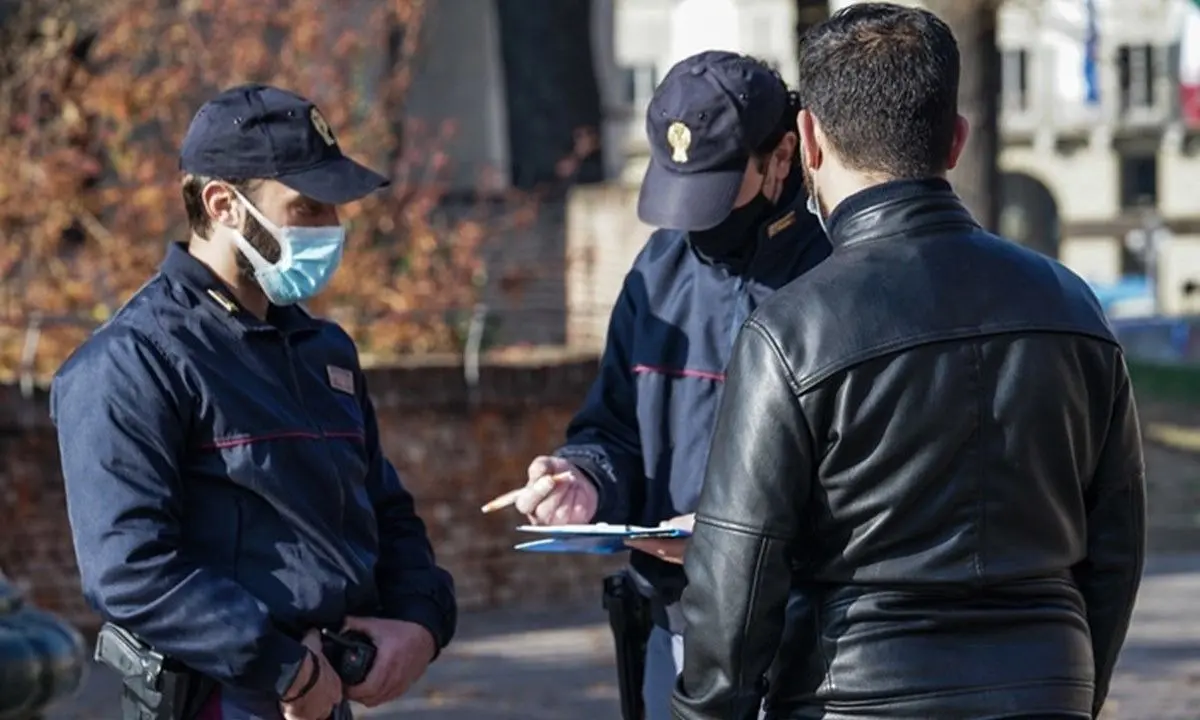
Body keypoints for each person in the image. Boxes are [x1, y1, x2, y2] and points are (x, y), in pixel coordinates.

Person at [671, 5, 1147, 720]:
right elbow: (1115, 545)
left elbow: (735, 583)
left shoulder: (791, 330)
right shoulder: (1073, 307)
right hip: (1049, 682)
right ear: (957, 140)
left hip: (855, 695)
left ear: (809, 142)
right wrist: (1075, 684)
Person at [50, 84, 457, 720]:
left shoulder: (323, 350)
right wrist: (285, 670)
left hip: (323, 694)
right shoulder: (133, 361)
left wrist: (420, 620)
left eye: (333, 210)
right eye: (308, 208)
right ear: (223, 205)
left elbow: (385, 511)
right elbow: (130, 570)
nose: (332, 229)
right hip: (218, 699)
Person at [511, 51, 831, 719]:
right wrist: (584, 478)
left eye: (718, 189)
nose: (697, 221)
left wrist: (736, 532)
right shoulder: (657, 272)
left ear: (781, 156)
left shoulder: (841, 272)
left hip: (813, 636)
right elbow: (615, 428)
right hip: (675, 627)